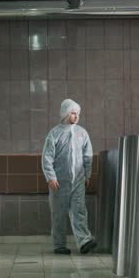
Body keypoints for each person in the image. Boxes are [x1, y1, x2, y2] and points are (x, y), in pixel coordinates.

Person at [42, 99, 97, 255]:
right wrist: (51, 177)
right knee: (58, 214)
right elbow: (47, 157)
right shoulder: (55, 134)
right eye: (73, 113)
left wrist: (87, 174)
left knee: (79, 210)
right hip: (59, 182)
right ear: (65, 113)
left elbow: (87, 156)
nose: (76, 116)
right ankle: (59, 245)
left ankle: (84, 241)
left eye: (77, 113)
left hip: (78, 181)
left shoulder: (82, 133)